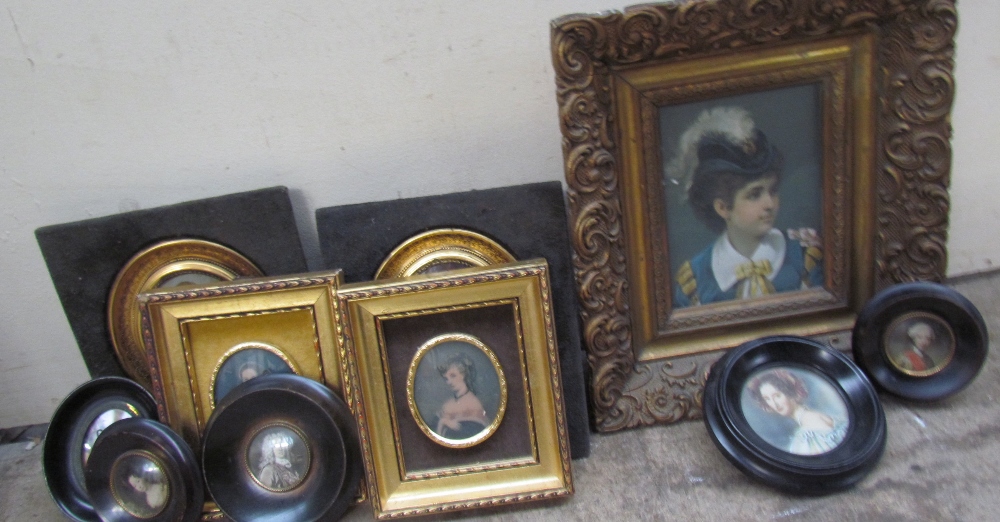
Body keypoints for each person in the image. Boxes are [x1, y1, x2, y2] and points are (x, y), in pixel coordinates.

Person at [666, 106, 823, 307]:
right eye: (754, 195)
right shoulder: (695, 280)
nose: (769, 204)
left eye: (773, 191)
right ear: (723, 208)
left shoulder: (805, 259)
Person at [747, 369, 847, 456]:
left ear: (789, 392)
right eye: (767, 399)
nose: (774, 404)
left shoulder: (809, 428)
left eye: (777, 396)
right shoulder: (809, 418)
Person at [434, 354, 488, 439]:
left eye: (453, 376)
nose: (449, 382)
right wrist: (443, 422)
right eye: (446, 378)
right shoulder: (448, 404)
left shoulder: (473, 403)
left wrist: (444, 422)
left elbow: (470, 435)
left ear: (464, 375)